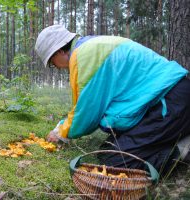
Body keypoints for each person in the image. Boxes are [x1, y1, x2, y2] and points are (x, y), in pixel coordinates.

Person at [34, 24, 190, 174]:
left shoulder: (84, 56)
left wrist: (61, 132)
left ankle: (182, 149)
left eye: (53, 63)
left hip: (170, 103)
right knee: (107, 149)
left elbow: (86, 115)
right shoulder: (91, 46)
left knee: (115, 161)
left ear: (59, 51)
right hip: (167, 100)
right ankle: (173, 138)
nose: (58, 67)